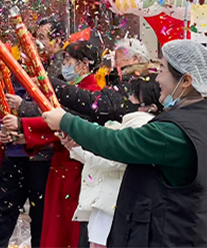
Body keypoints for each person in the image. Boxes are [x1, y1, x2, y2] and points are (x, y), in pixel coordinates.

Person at [43, 39, 207, 247]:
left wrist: (67, 121)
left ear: (186, 81)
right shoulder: (197, 116)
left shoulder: (174, 131)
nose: (157, 79)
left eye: (162, 70)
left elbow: (118, 143)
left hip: (172, 238)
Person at [2, 41, 102, 248]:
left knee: (67, 223)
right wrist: (23, 135)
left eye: (68, 60)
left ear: (84, 64)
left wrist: (23, 120)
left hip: (76, 167)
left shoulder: (90, 92)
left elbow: (65, 120)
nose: (64, 64)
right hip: (62, 164)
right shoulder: (76, 89)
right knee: (57, 221)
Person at [65, 76, 163, 248]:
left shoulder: (142, 124)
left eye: (135, 96)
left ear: (150, 106)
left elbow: (113, 157)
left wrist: (83, 143)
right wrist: (76, 147)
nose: (129, 99)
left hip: (112, 204)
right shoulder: (127, 122)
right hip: (105, 203)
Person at [0, 82, 52, 248]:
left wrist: (22, 107)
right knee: (4, 209)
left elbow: (52, 113)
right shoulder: (8, 82)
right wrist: (1, 130)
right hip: (13, 156)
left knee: (40, 212)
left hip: (41, 158)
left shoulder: (48, 80)